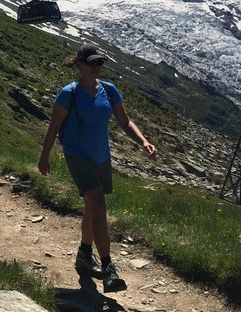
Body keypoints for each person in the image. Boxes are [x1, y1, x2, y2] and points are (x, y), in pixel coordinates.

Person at [38, 43, 157, 293]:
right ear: (79, 64)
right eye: (91, 63)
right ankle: (108, 268)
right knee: (98, 201)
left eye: (99, 63)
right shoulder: (68, 94)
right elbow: (53, 127)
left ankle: (83, 254)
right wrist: (44, 156)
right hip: (77, 154)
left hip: (101, 155)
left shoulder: (109, 90)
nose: (96, 67)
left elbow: (124, 122)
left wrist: (143, 141)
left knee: (92, 205)